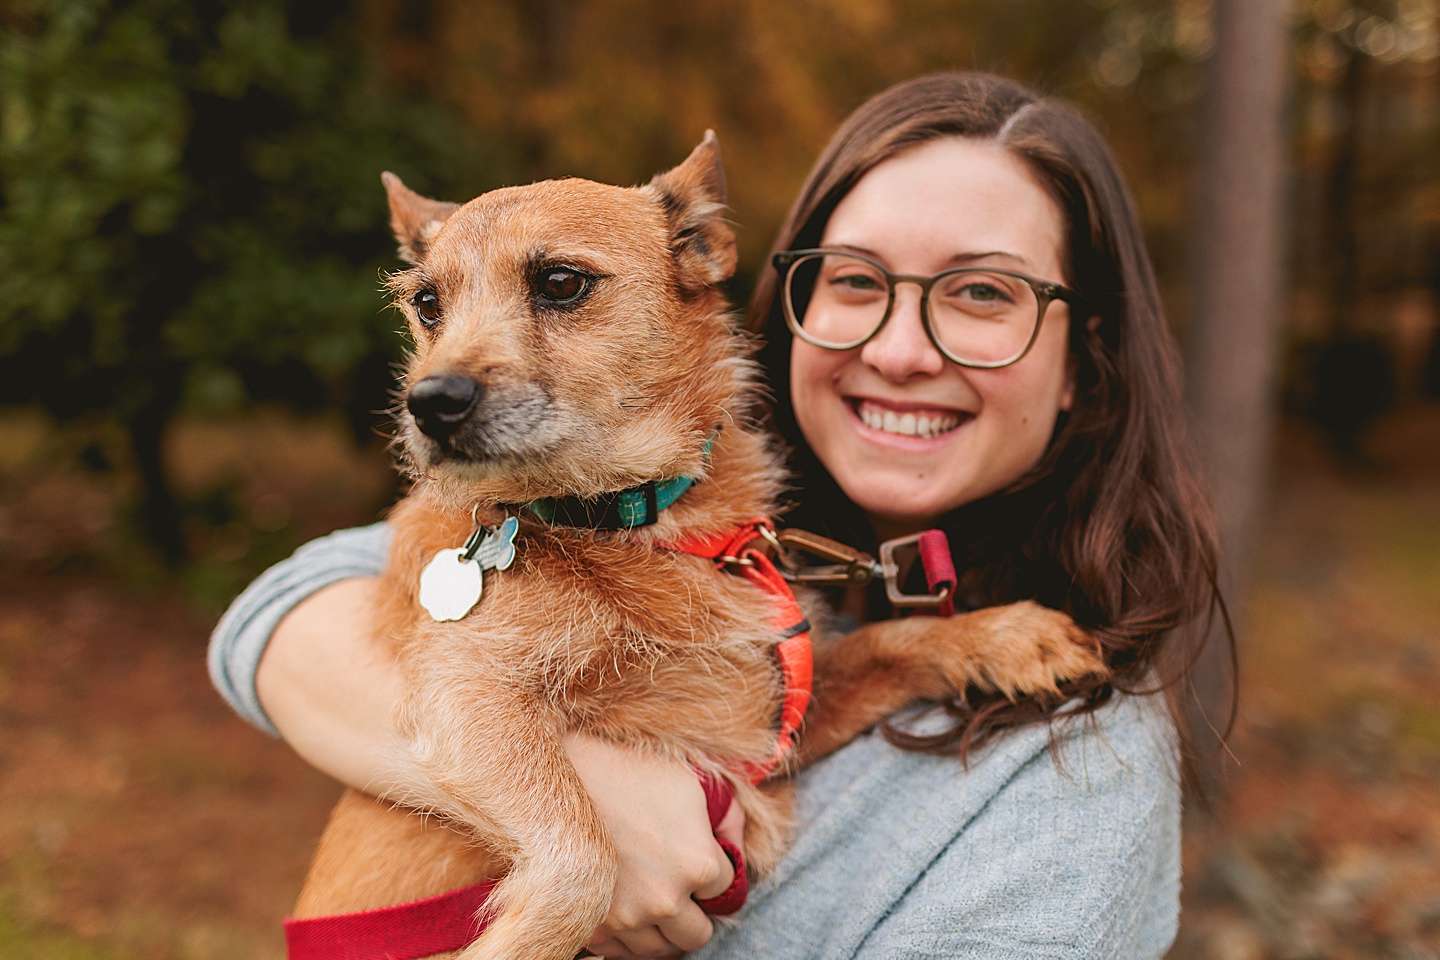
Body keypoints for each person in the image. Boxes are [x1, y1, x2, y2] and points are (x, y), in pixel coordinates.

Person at [210, 71, 1224, 959]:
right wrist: (580, 817)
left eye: (981, 294)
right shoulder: (545, 522)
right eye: (857, 280)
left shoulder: (1078, 785)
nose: (903, 348)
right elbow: (276, 612)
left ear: (1084, 367)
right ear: (795, 300)